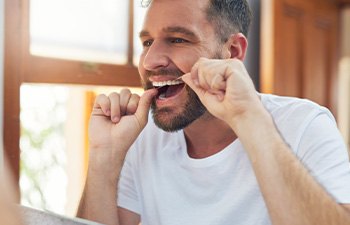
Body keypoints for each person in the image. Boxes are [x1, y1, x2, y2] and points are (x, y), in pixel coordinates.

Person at [77, 0, 350, 224]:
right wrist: (105, 157)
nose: (150, 61)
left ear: (232, 51)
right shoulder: (140, 138)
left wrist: (249, 119)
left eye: (178, 39)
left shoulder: (305, 126)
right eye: (147, 43)